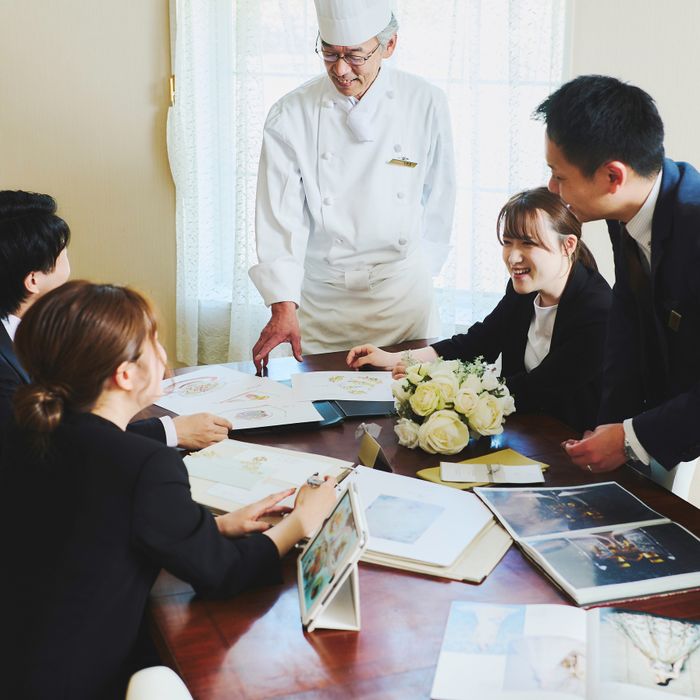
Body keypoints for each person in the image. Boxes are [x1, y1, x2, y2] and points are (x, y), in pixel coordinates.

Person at [0, 280, 337, 699]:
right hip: (76, 675)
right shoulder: (142, 464)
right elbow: (221, 574)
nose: (163, 354)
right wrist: (299, 523)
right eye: (153, 343)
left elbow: (96, 533)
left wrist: (215, 527)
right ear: (124, 375)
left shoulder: (26, 433)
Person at [250, 0, 455, 368]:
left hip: (403, 301)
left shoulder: (425, 103)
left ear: (388, 46)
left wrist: (419, 273)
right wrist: (283, 305)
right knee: (325, 416)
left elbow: (441, 197)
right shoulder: (290, 114)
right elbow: (279, 216)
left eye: (355, 56)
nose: (341, 69)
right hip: (325, 304)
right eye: (329, 54)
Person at [534, 75, 700, 474]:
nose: (552, 188)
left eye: (560, 176)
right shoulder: (624, 209)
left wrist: (630, 438)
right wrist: (609, 427)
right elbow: (627, 322)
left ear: (613, 176)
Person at [347, 187, 611, 432]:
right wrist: (396, 359)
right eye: (508, 242)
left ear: (568, 245)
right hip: (526, 432)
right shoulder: (524, 289)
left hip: (571, 446)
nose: (513, 257)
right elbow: (476, 343)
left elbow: (537, 388)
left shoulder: (598, 312)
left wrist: (437, 384)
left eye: (527, 243)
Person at [0, 189, 231, 451]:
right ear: (34, 280)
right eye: (62, 252)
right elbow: (46, 442)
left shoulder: (50, 322)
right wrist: (170, 431)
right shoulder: (4, 367)